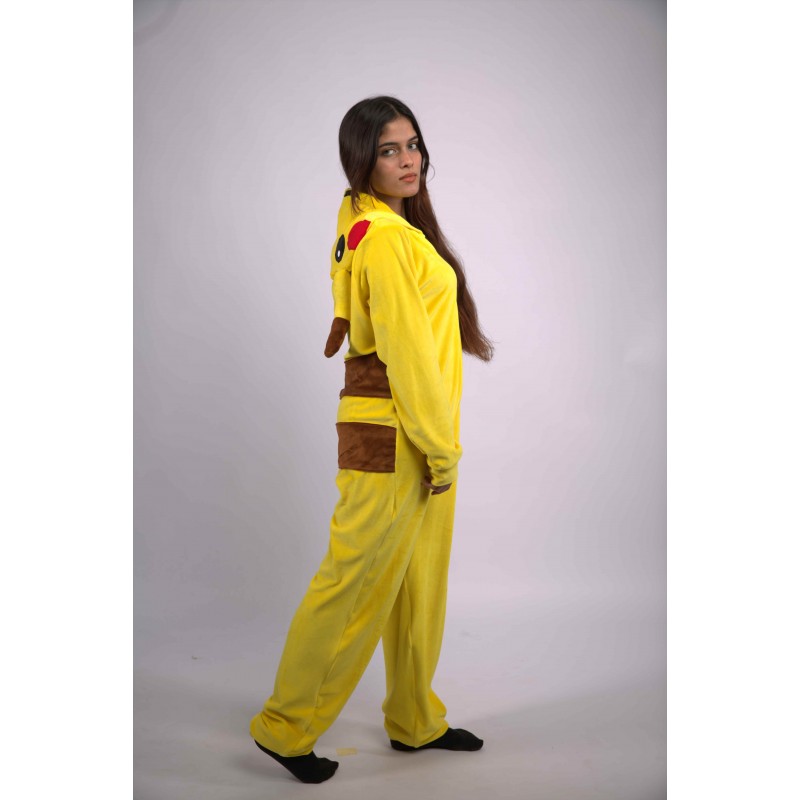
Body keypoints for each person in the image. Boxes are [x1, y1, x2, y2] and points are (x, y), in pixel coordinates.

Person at [249, 95, 494, 784]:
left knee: (418, 583)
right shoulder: (384, 238)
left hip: (399, 427)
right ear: (362, 159)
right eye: (389, 150)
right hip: (402, 435)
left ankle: (415, 719)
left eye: (413, 144)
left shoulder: (367, 222)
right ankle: (284, 726)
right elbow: (408, 355)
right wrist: (441, 450)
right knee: (352, 582)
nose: (408, 160)